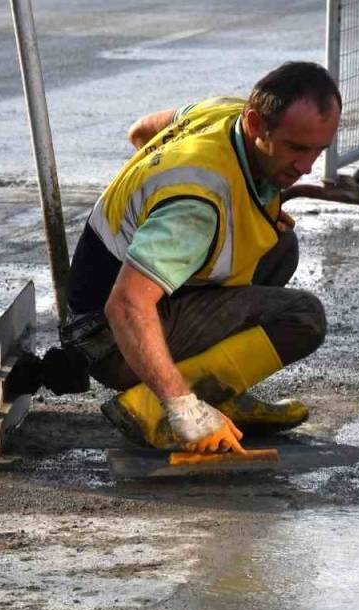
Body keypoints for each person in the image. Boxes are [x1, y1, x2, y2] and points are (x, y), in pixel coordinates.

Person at [59, 61, 340, 454]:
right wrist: (182, 407)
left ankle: (217, 394)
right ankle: (160, 406)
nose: (306, 166)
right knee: (302, 318)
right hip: (108, 341)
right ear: (257, 124)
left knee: (279, 247)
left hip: (97, 307)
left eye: (318, 150)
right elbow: (125, 306)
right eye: (295, 148)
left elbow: (140, 130)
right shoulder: (195, 205)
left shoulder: (222, 112)